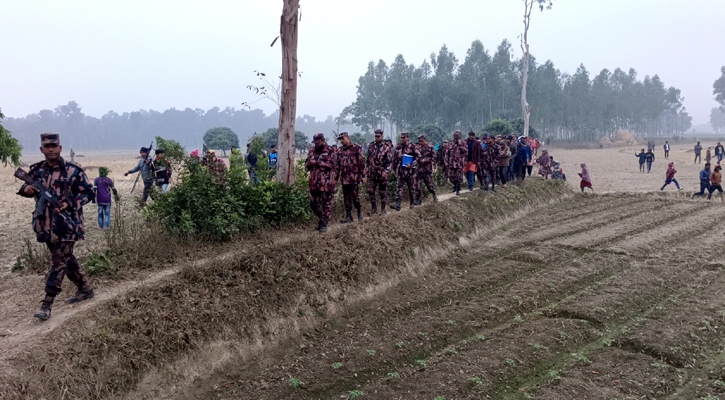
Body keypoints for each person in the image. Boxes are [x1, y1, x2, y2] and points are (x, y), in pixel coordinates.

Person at [17, 133, 96, 320]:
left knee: (58, 262)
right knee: (66, 259)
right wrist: (26, 190)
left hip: (68, 225)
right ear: (41, 149)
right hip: (45, 225)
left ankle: (47, 305)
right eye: (47, 146)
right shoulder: (36, 171)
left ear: (60, 148)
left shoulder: (73, 170)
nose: (51, 149)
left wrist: (70, 203)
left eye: (54, 146)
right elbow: (26, 190)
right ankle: (85, 289)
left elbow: (88, 193)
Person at [305, 133, 338, 232]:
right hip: (314, 182)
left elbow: (333, 164)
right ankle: (322, 219)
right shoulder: (312, 151)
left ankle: (324, 224)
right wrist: (308, 164)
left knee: (326, 203)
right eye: (315, 142)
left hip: (326, 182)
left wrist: (317, 163)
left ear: (323, 140)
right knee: (313, 203)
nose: (316, 144)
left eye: (318, 142)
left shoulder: (330, 150)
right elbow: (306, 164)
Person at [336, 132, 365, 223]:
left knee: (355, 196)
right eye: (340, 139)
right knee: (346, 198)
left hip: (354, 177)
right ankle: (349, 216)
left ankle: (359, 213)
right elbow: (337, 166)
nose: (341, 140)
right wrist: (335, 179)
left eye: (342, 138)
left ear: (348, 138)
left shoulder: (356, 148)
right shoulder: (340, 150)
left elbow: (361, 163)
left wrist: (363, 176)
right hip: (344, 178)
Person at [390, 132, 421, 210]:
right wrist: (393, 169)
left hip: (410, 172)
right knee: (399, 188)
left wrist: (412, 164)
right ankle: (398, 204)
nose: (402, 139)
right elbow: (395, 159)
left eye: (404, 138)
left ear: (408, 138)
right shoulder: (398, 146)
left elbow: (418, 157)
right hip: (401, 171)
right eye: (401, 138)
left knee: (411, 188)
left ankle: (412, 203)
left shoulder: (412, 146)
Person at [366, 129, 393, 215]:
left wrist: (386, 171)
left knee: (382, 192)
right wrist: (367, 170)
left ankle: (383, 209)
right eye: (375, 136)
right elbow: (368, 160)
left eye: (378, 136)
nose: (376, 138)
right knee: (370, 190)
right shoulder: (371, 146)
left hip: (382, 173)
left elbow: (389, 161)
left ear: (382, 136)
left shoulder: (386, 147)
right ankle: (374, 208)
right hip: (372, 173)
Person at [415, 134, 438, 204]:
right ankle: (419, 199)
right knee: (417, 184)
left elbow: (434, 157)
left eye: (421, 141)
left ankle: (434, 194)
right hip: (419, 169)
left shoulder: (430, 147)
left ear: (425, 140)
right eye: (419, 141)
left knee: (429, 185)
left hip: (427, 169)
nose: (420, 143)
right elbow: (415, 156)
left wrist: (427, 160)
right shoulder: (417, 148)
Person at [445, 130, 468, 195]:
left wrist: (460, 144)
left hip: (459, 163)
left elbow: (465, 152)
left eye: (457, 138)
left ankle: (458, 189)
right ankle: (454, 185)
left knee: (459, 177)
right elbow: (447, 153)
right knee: (450, 176)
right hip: (451, 163)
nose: (455, 139)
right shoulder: (450, 143)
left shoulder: (463, 143)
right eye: (455, 138)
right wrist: (446, 161)